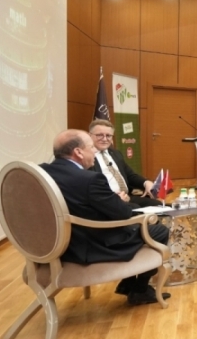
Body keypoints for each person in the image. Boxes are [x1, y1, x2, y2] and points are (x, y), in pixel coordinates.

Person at [41, 130, 171, 306]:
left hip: (59, 243)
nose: (95, 151)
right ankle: (138, 288)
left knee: (139, 212)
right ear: (78, 152)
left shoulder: (43, 172)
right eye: (91, 147)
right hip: (91, 244)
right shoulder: (90, 179)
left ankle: (129, 284)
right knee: (159, 230)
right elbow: (122, 214)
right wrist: (120, 201)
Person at [88, 120, 163, 208]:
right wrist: (113, 197)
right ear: (89, 135)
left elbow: (130, 175)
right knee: (136, 209)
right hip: (107, 201)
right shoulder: (86, 157)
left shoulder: (115, 153)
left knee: (158, 205)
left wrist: (146, 182)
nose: (104, 139)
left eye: (108, 135)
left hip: (127, 196)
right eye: (99, 135)